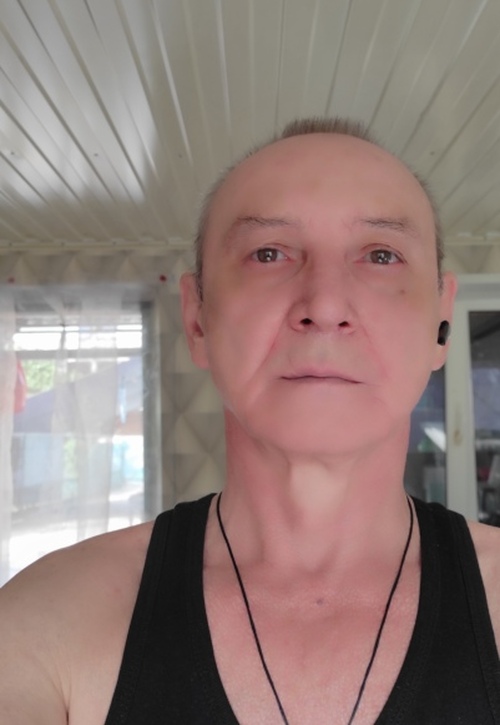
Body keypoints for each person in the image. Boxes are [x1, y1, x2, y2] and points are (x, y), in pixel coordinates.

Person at [1, 117, 500, 725]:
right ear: (197, 319)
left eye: (381, 255)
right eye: (269, 253)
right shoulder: (44, 625)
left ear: (440, 322)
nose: (325, 305)